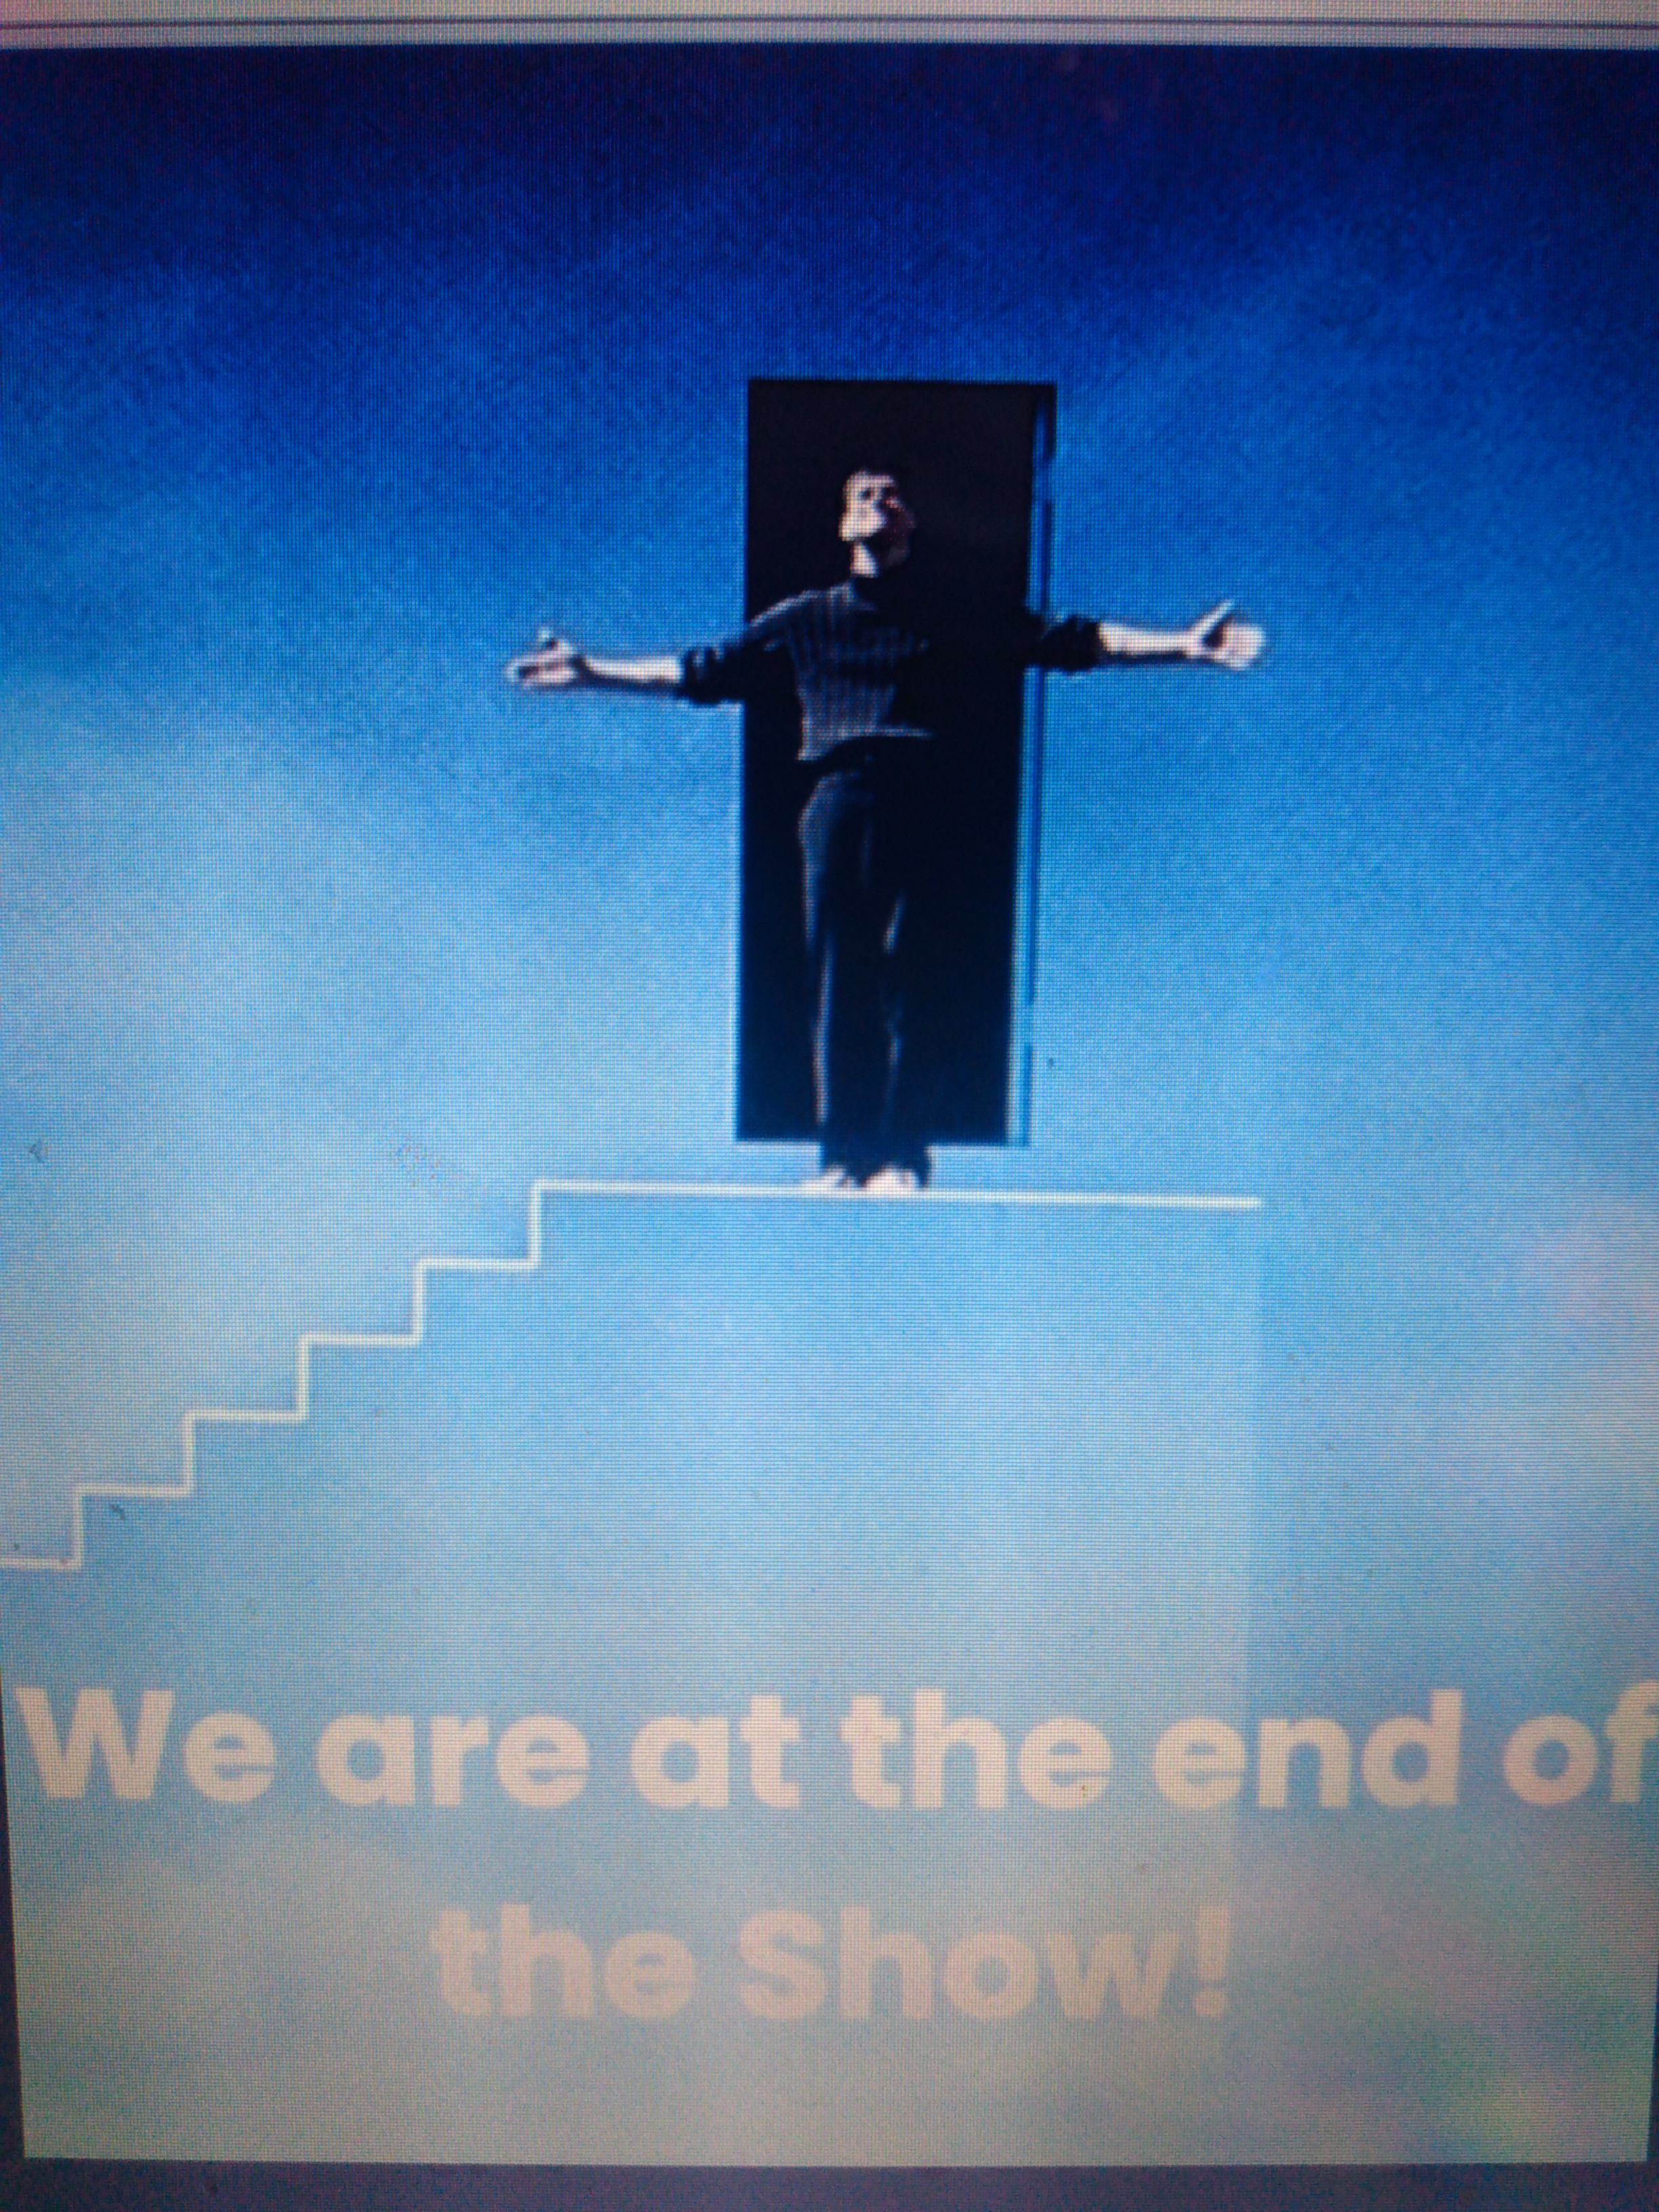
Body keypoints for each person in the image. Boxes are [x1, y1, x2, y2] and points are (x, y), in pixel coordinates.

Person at [506, 469, 1263, 1193]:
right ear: (845, 524)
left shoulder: (955, 610)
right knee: (840, 973)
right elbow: (704, 671)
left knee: (918, 972)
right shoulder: (806, 619)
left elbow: (1072, 641)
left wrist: (1183, 646)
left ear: (909, 523)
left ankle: (903, 1153)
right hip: (840, 794)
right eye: (863, 494)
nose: (877, 500)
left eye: (891, 495)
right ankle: (842, 1154)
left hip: (929, 797)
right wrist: (591, 671)